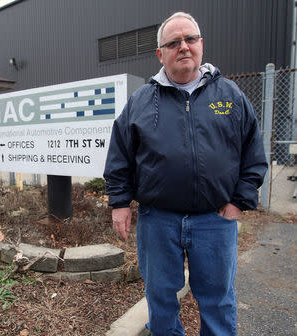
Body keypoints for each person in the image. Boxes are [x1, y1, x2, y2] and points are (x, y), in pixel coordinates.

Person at [103, 12, 267, 336]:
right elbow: (120, 155)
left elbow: (254, 153)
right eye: (173, 42)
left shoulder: (230, 97)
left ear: (201, 44)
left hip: (215, 220)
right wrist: (120, 203)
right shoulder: (140, 102)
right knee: (160, 298)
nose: (184, 47)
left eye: (190, 39)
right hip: (158, 220)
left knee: (217, 300)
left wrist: (238, 201)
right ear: (160, 53)